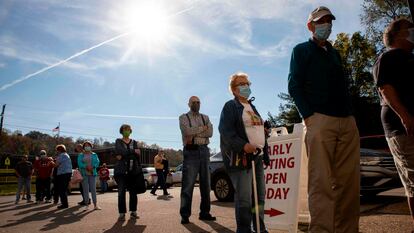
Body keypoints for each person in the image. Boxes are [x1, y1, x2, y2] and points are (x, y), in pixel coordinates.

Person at [288, 6, 360, 232]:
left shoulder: (335, 53)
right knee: (321, 183)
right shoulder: (301, 50)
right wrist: (309, 117)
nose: (326, 25)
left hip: (346, 121)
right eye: (321, 21)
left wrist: (350, 115)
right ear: (310, 25)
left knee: (349, 184)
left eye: (329, 21)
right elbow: (294, 85)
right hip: (319, 121)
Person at [372, 18, 414, 223]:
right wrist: (405, 116)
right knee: (413, 180)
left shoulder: (410, 58)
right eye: (409, 29)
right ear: (397, 34)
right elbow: (385, 88)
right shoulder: (387, 58)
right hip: (402, 128)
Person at [219, 73, 268, 233]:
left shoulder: (252, 107)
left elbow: (257, 130)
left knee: (259, 197)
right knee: (245, 198)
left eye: (247, 83)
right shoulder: (230, 106)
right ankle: (244, 230)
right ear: (233, 90)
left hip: (258, 157)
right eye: (241, 84)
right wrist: (243, 145)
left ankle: (259, 228)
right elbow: (226, 132)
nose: (245, 86)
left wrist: (264, 135)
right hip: (242, 158)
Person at [179, 96, 215, 224]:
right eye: (194, 102)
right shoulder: (183, 117)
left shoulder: (205, 117)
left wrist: (195, 133)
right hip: (191, 151)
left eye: (198, 102)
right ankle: (185, 215)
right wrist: (202, 129)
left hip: (204, 151)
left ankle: (205, 213)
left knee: (206, 185)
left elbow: (210, 133)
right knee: (188, 185)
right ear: (189, 104)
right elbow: (187, 131)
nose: (196, 104)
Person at [114, 124, 141, 221]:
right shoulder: (118, 141)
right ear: (121, 131)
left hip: (133, 171)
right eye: (125, 129)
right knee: (121, 193)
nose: (127, 131)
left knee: (133, 193)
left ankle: (133, 212)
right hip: (121, 172)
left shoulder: (134, 142)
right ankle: (122, 213)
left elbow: (137, 155)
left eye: (128, 129)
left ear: (130, 131)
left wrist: (124, 153)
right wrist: (133, 151)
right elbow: (119, 151)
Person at [77, 141, 101, 210]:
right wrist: (86, 166)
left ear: (91, 146)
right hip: (84, 174)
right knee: (85, 190)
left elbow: (97, 162)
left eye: (88, 145)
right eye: (86, 146)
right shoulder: (81, 155)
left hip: (92, 173)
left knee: (93, 189)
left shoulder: (94, 154)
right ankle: (86, 205)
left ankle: (95, 205)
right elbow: (79, 163)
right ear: (84, 147)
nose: (87, 147)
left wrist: (93, 166)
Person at [54, 144, 72, 209]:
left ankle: (64, 204)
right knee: (64, 189)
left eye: (57, 150)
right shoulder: (67, 155)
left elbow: (56, 165)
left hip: (62, 174)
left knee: (62, 190)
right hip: (68, 173)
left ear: (59, 150)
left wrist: (51, 162)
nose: (56, 151)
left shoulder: (61, 156)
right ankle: (65, 203)